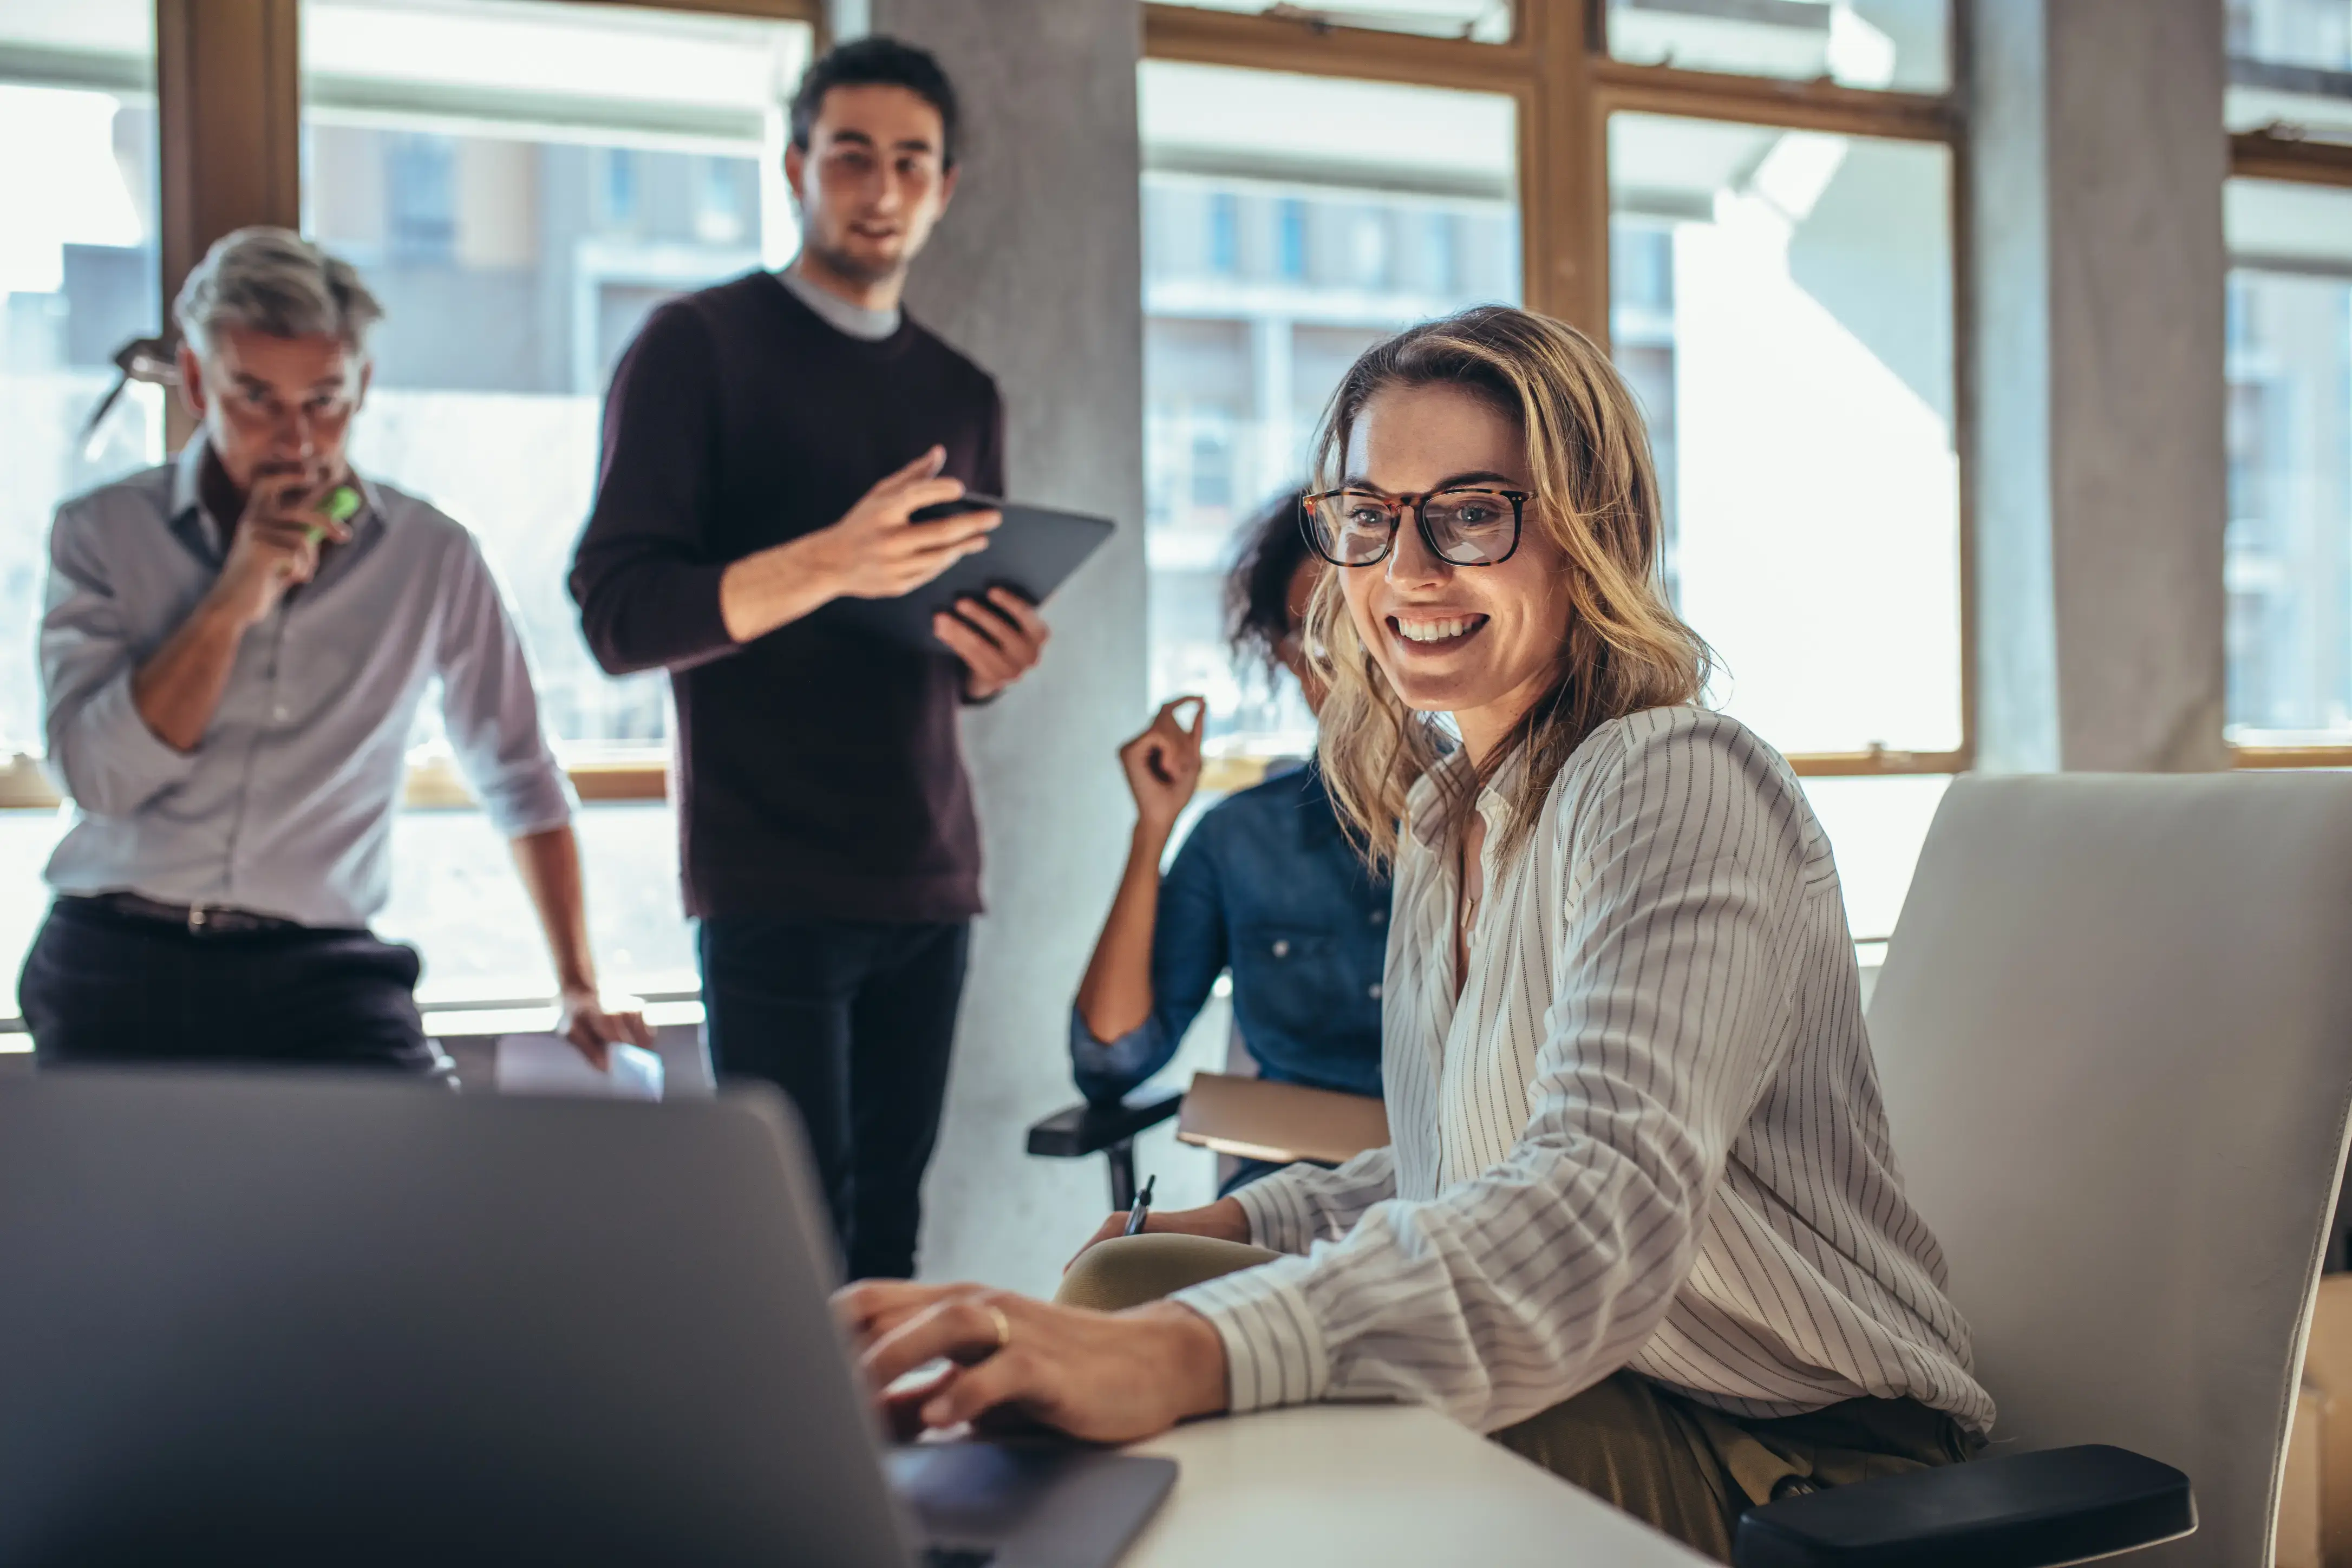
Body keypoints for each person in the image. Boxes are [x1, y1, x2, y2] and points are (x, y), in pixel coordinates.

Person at [836, 306, 1991, 1563]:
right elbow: (1463, 1160)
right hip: (1617, 1383)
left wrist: (1190, 1350)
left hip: (1792, 1448)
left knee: (1233, 1419)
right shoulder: (1447, 818)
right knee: (1127, 1281)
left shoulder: (1679, 778)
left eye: (1472, 511)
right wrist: (1242, 1227)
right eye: (1370, 517)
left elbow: (1592, 1202)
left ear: (1592, 531)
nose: (1407, 571)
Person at [568, 37, 1047, 1282]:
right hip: (767, 871)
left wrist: (991, 657)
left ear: (946, 188)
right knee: (791, 1249)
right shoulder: (696, 345)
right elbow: (619, 612)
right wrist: (830, 557)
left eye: (910, 163)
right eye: (850, 155)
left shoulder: (963, 387)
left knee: (889, 1241)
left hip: (930, 869)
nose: (880, 188)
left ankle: (887, 1485)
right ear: (794, 166)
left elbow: (938, 637)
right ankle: (797, 1483)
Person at [25, 227, 648, 1075]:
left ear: (364, 385)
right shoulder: (101, 533)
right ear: (200, 383)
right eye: (257, 399)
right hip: (117, 949)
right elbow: (98, 780)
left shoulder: (433, 555)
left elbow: (518, 772)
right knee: (127, 1208)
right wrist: (229, 603)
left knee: (415, 1190)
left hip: (321, 966)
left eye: (325, 400)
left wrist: (579, 984)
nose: (296, 441)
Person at [1069, 492, 1386, 1192]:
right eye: (1317, 637)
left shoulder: (1504, 820)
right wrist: (1153, 828)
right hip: (1281, 1203)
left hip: (1459, 1202)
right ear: (1283, 655)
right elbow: (1111, 1058)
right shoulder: (1241, 838)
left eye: (1364, 627)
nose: (1348, 664)